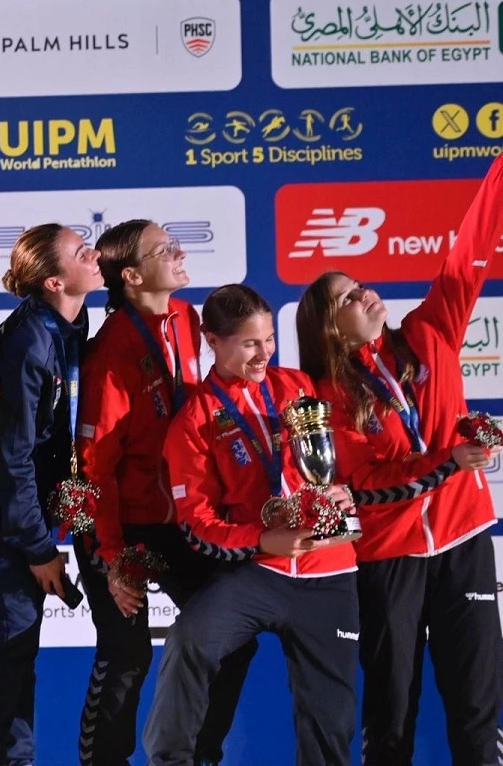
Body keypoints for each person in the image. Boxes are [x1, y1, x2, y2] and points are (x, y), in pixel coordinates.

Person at [294, 153, 503, 766]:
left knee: (478, 705)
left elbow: (467, 256)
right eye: (348, 297)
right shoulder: (326, 395)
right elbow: (365, 484)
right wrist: (447, 462)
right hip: (390, 558)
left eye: (360, 285)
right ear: (331, 328)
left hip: (464, 539)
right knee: (392, 707)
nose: (365, 292)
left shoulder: (429, 333)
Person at [141, 285, 361, 766]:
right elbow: (197, 522)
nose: (264, 353)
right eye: (249, 343)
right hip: (259, 571)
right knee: (189, 640)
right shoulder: (194, 421)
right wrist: (263, 539)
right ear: (213, 341)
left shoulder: (299, 388)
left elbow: (334, 465)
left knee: (330, 719)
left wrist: (343, 493)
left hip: (328, 571)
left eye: (268, 340)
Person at [76, 221, 254, 766]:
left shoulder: (183, 317)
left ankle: (194, 757)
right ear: (132, 276)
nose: (178, 253)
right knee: (127, 651)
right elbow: (95, 469)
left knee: (232, 638)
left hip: (173, 516)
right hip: (116, 520)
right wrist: (112, 559)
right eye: (164, 249)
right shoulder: (111, 354)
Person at [0, 223, 103, 764]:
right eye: (79, 251)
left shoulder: (70, 320)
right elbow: (10, 458)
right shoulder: (27, 343)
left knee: (19, 648)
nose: (94, 252)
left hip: (20, 514)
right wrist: (37, 548)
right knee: (10, 643)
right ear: (53, 282)